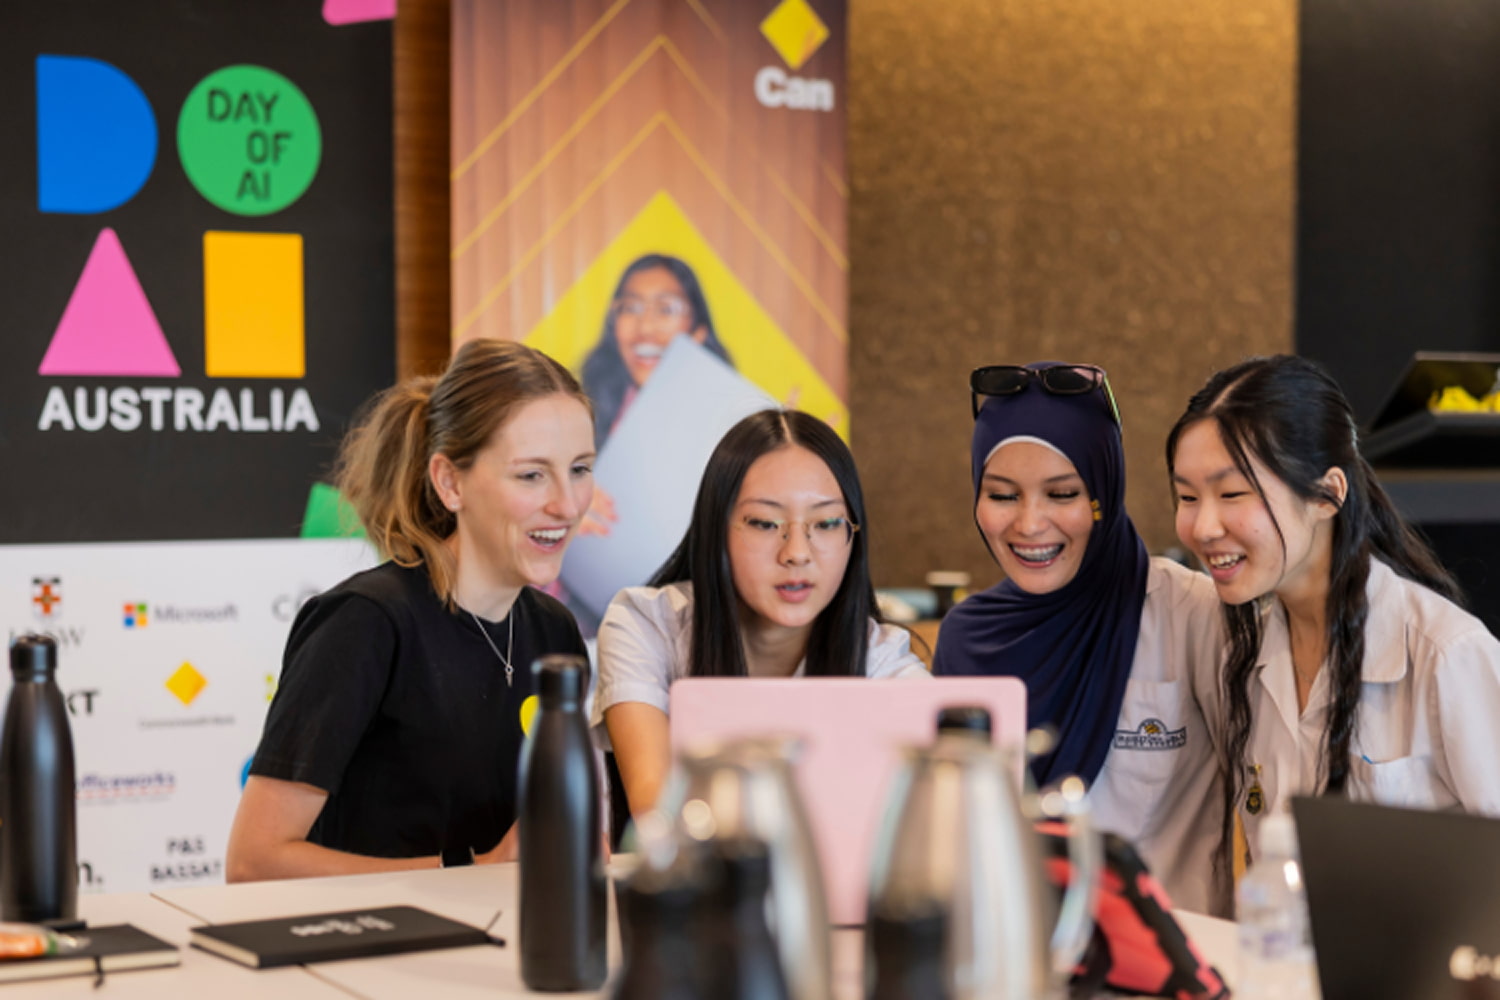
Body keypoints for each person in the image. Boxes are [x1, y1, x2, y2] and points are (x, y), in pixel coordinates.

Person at [226, 339, 596, 881]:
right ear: (450, 482)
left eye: (581, 469)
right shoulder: (365, 622)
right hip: (368, 956)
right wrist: (474, 868)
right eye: (531, 475)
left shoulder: (554, 630)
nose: (566, 504)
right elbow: (253, 862)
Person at [1168, 354, 1500, 871]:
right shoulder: (1243, 655)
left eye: (1232, 493)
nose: (1203, 527)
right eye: (1187, 496)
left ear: (1328, 493)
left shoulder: (1447, 654)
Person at [934, 362, 1228, 915]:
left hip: (1168, 975)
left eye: (1063, 493)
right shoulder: (965, 638)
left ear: (1105, 492)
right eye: (1002, 495)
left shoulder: (1192, 615)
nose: (1029, 523)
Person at [593, 409, 928, 817]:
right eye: (766, 523)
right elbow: (657, 809)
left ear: (852, 534)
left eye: (825, 523)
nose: (797, 554)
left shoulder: (881, 658)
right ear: (716, 528)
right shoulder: (647, 625)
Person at [581, 253, 732, 449]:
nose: (646, 328)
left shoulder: (729, 421)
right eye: (631, 308)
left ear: (698, 332)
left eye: (666, 309)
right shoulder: (587, 413)